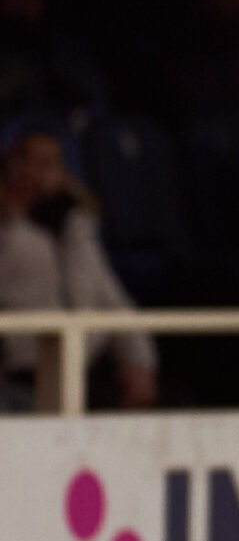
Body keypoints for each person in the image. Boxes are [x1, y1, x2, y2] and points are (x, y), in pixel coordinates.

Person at [0, 132, 156, 409]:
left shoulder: (77, 229)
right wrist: (14, 215)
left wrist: (139, 360)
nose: (46, 174)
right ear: (13, 168)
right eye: (39, 163)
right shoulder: (9, 234)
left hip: (85, 370)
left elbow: (112, 299)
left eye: (54, 164)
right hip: (24, 377)